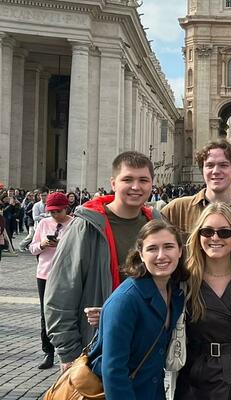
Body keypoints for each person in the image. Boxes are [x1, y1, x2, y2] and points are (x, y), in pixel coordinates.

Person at [44, 151, 160, 372]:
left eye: (143, 180)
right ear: (113, 183)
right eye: (128, 179)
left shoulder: (155, 223)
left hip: (146, 348)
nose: (136, 186)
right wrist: (69, 352)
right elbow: (61, 291)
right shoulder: (86, 226)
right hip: (97, 348)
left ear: (151, 185)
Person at [89, 220, 187, 399]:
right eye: (152, 249)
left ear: (180, 251)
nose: (161, 256)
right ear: (141, 254)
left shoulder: (176, 292)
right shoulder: (125, 301)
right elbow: (113, 370)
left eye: (168, 247)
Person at [176, 203, 231, 399]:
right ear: (198, 236)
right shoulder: (183, 279)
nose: (215, 238)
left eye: (224, 233)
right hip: (196, 379)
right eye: (207, 231)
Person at [161, 140, 231, 237]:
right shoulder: (177, 210)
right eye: (210, 165)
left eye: (223, 165)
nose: (216, 171)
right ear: (203, 170)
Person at [29, 192, 74, 370]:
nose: (54, 215)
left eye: (58, 212)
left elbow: (77, 248)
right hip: (45, 274)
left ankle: (70, 351)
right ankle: (48, 352)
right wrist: (42, 245)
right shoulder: (43, 223)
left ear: (66, 208)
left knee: (68, 312)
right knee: (45, 314)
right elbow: (32, 248)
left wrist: (60, 243)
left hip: (66, 274)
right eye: (51, 212)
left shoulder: (75, 224)